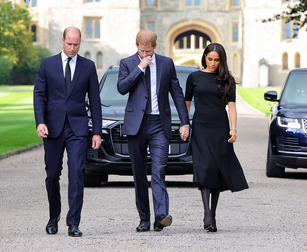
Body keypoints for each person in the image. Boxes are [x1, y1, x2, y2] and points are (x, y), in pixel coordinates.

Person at [117, 30, 190, 232]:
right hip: (136, 125)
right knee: (139, 173)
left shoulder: (166, 63)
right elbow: (122, 88)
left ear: (155, 47)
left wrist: (185, 122)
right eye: (141, 50)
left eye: (148, 51)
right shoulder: (128, 63)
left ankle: (161, 215)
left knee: (159, 170)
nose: (145, 54)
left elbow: (177, 93)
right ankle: (144, 219)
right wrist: (140, 67)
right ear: (136, 47)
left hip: (159, 124)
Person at [34, 26, 102, 237]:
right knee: (52, 174)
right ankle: (53, 216)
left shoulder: (88, 66)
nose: (72, 48)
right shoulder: (47, 64)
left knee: (77, 174)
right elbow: (39, 95)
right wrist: (40, 122)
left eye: (76, 44)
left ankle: (73, 222)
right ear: (62, 41)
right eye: (69, 44)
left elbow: (95, 101)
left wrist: (97, 132)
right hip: (52, 128)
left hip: (78, 129)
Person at [184, 43, 248, 232]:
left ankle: (213, 214)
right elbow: (186, 103)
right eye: (209, 59)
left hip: (220, 127)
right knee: (204, 167)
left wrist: (234, 129)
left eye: (216, 60)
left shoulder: (227, 79)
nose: (212, 63)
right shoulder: (193, 77)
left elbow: (232, 106)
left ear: (222, 60)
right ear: (204, 57)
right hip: (201, 127)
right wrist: (184, 124)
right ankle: (207, 214)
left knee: (216, 170)